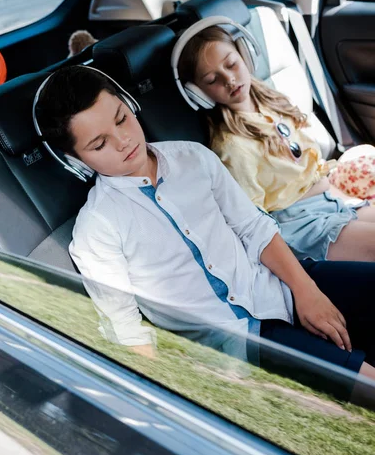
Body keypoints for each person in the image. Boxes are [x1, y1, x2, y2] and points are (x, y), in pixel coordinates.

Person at [34, 65, 375, 402]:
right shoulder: (98, 229)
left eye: (122, 119)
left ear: (130, 104)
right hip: (239, 347)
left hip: (276, 284)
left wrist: (307, 291)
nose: (123, 141)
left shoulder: (194, 158)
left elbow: (254, 228)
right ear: (76, 160)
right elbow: (126, 330)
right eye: (99, 144)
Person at [174, 17, 375, 262]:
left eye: (231, 64)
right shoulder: (233, 148)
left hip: (329, 199)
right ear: (199, 94)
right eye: (212, 80)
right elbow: (253, 220)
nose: (229, 80)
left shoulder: (269, 102)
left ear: (245, 55)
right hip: (301, 224)